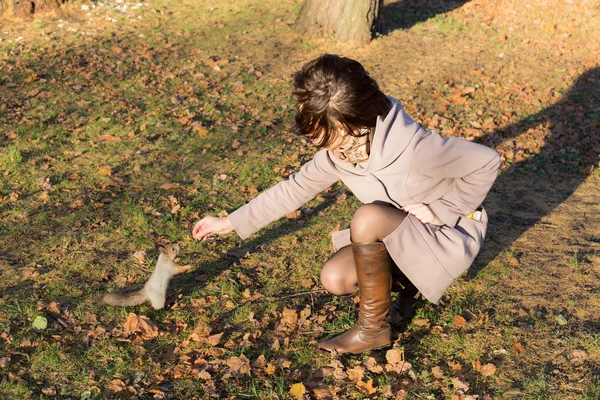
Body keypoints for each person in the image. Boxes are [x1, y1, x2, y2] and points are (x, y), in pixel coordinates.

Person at [192, 54, 501, 354]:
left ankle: (372, 331)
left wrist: (442, 211)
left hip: (445, 232)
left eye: (318, 126)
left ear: (345, 124)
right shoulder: (338, 153)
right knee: (335, 277)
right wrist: (229, 222)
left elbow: (486, 162)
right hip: (400, 232)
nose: (311, 136)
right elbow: (294, 189)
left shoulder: (415, 148)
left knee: (367, 218)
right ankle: (409, 285)